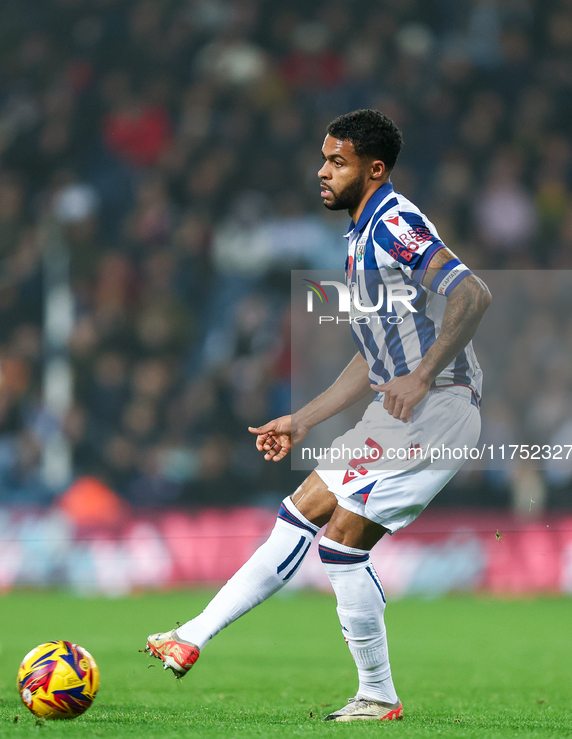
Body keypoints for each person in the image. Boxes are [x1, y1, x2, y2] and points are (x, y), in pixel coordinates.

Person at [145, 109, 491, 722]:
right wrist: (303, 419)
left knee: (340, 547)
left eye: (338, 162)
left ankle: (378, 696)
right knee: (301, 509)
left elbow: (472, 293)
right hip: (399, 411)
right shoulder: (360, 236)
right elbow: (372, 358)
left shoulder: (395, 225)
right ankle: (192, 635)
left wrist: (424, 373)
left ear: (373, 169)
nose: (323, 172)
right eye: (324, 159)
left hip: (436, 410)